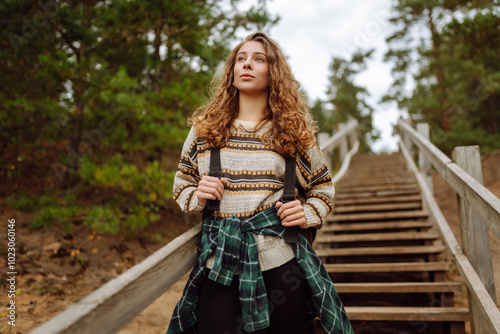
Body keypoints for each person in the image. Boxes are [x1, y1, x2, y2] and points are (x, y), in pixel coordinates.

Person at [167, 32, 353, 334]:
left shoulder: (294, 134)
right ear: (232, 71)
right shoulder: (205, 131)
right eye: (240, 59)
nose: (247, 64)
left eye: (258, 59)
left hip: (280, 264)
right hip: (219, 264)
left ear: (273, 72)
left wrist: (305, 213)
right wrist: (198, 195)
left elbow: (323, 188)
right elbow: (182, 184)